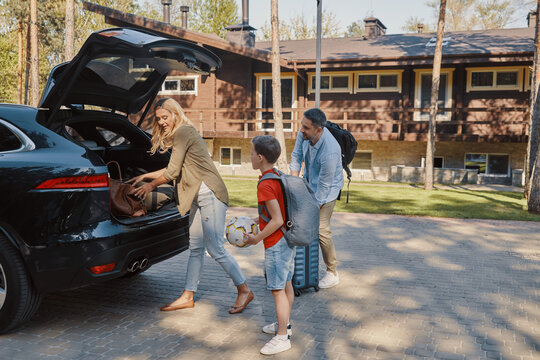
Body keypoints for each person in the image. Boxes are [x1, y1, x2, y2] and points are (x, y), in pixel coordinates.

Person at [130, 97, 254, 314]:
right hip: (197, 196)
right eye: (158, 119)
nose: (161, 122)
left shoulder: (183, 132)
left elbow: (172, 173)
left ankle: (244, 289)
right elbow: (173, 167)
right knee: (195, 247)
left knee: (215, 247)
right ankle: (188, 295)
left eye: (165, 117)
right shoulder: (182, 134)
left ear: (175, 114)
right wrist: (146, 176)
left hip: (210, 194)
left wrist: (149, 187)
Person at [244, 135, 294, 355]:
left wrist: (256, 238)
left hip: (276, 243)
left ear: (260, 157)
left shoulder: (265, 183)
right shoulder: (276, 176)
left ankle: (282, 337)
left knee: (277, 290)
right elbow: (278, 212)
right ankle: (284, 325)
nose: (251, 157)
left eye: (252, 153)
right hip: (287, 240)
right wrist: (257, 220)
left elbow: (277, 220)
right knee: (286, 285)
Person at [289, 108, 344, 289]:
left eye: (306, 128)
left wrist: (312, 208)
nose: (301, 130)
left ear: (318, 130)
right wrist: (294, 185)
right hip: (308, 182)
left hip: (328, 191)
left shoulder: (330, 151)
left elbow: (323, 188)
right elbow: (296, 156)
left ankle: (332, 272)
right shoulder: (304, 133)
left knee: (321, 228)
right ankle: (295, 267)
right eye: (301, 126)